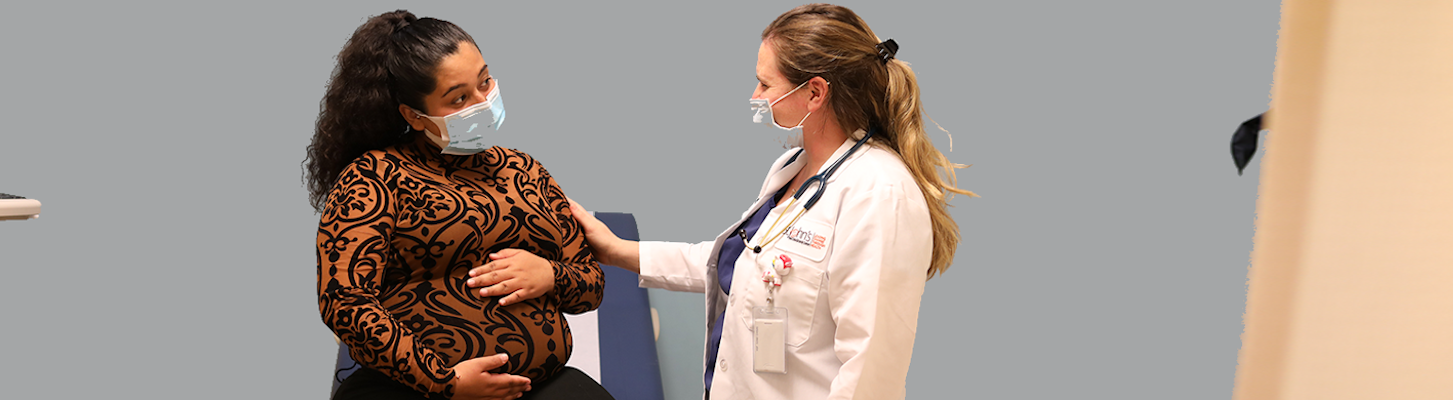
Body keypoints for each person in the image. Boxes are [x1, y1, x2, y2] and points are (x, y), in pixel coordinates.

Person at [566, 4, 978, 399]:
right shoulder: (793, 168)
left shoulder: (878, 194)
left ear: (814, 93)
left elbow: (871, 374)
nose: (756, 94)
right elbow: (741, 264)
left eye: (765, 83)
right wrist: (618, 251)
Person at [306, 10, 613, 400]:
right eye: (459, 98)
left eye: (485, 82)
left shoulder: (525, 170)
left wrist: (550, 274)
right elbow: (345, 303)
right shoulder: (373, 178)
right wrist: (442, 381)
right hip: (412, 390)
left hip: (539, 387)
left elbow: (591, 286)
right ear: (413, 116)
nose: (483, 102)